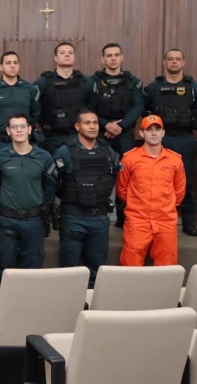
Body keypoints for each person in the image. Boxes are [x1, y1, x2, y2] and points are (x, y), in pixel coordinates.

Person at [143, 49, 197, 236]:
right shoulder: (153, 87)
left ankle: (188, 221)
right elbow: (143, 109)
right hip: (159, 138)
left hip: (184, 138)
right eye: (170, 59)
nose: (174, 62)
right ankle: (152, 219)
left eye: (178, 59)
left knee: (186, 180)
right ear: (164, 62)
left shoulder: (194, 88)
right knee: (154, 179)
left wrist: (195, 123)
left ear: (183, 62)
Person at [0, 113, 57, 286]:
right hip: (7, 220)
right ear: (8, 131)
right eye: (14, 127)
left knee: (33, 272)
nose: (18, 130)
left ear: (29, 129)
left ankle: (30, 312)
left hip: (34, 221)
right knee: (4, 271)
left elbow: (49, 188)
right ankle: (2, 312)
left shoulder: (44, 157)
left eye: (22, 126)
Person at [53, 109, 119, 288]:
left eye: (95, 123)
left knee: (97, 274)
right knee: (69, 273)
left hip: (99, 218)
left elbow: (112, 180)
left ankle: (92, 314)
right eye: (87, 123)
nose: (92, 127)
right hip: (73, 218)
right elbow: (54, 184)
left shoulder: (108, 152)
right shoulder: (65, 152)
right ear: (77, 126)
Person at [117, 115, 186, 266]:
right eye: (149, 130)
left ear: (163, 132)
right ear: (141, 133)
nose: (153, 133)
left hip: (165, 221)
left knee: (167, 266)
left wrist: (165, 208)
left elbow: (179, 192)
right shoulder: (129, 159)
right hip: (137, 220)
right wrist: (137, 207)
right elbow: (122, 189)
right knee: (130, 265)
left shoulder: (175, 160)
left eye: (157, 129)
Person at [90, 43, 144, 228]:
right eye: (109, 55)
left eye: (116, 55)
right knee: (99, 175)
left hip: (125, 134)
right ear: (102, 59)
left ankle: (124, 217)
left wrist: (119, 126)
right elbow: (87, 109)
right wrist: (106, 125)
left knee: (126, 176)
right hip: (101, 133)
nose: (113, 58)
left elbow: (138, 107)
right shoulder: (93, 82)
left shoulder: (133, 82)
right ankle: (99, 216)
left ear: (122, 58)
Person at [34, 42, 95, 155]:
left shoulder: (85, 81)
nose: (67, 55)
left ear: (74, 57)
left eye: (70, 53)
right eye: (62, 53)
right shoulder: (43, 82)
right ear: (56, 58)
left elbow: (93, 107)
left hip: (77, 138)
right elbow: (33, 107)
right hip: (51, 139)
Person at [0, 51, 41, 156]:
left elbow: (35, 114)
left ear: (19, 66)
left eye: (15, 63)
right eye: (8, 63)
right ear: (1, 67)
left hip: (24, 143)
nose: (12, 66)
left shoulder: (30, 89)